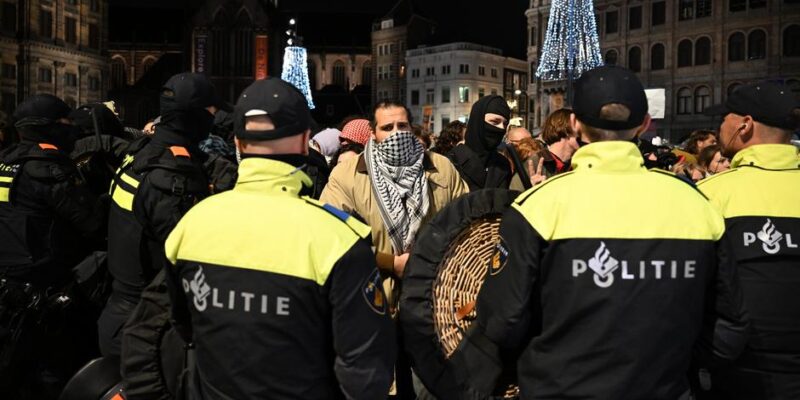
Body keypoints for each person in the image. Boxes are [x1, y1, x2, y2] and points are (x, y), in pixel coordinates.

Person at [455, 65, 749, 399]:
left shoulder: (538, 207)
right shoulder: (697, 205)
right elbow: (728, 328)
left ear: (576, 125)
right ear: (644, 124)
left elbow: (501, 322)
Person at [164, 77, 396, 399]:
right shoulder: (338, 240)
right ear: (304, 142)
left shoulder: (192, 225)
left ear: (238, 143)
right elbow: (366, 371)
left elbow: (179, 328)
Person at [98, 72, 230, 358]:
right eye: (210, 112)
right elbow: (191, 263)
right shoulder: (171, 178)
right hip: (147, 330)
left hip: (122, 312)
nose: (214, 118)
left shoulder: (142, 152)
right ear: (193, 116)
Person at [697, 81, 800, 400]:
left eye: (725, 117)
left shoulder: (711, 195)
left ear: (745, 125)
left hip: (737, 368)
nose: (718, 126)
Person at [0, 94, 107, 397]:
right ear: (48, 128)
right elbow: (92, 223)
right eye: (66, 122)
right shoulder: (50, 168)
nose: (72, 128)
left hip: (9, 285)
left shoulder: (7, 161)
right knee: (51, 373)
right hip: (44, 291)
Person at [321, 101, 467, 290]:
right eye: (387, 128)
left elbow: (463, 220)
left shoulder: (441, 167)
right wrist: (390, 263)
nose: (396, 133)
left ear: (411, 129)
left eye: (402, 126)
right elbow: (331, 235)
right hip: (373, 294)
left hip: (432, 292)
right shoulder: (347, 174)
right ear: (373, 133)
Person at [447, 95, 513, 191]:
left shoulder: (503, 164)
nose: (501, 128)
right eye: (495, 122)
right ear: (478, 121)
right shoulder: (452, 161)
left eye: (505, 124)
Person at [540, 108, 579, 175]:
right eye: (580, 130)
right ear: (567, 130)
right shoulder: (536, 161)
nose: (585, 135)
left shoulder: (578, 166)